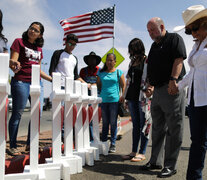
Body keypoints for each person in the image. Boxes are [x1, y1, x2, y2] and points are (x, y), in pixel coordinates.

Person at [141, 17, 187, 178]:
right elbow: (152, 67)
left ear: (161, 26)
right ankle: (155, 161)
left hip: (171, 87)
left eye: (152, 30)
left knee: (174, 127)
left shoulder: (174, 39)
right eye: (148, 31)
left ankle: (170, 165)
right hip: (158, 91)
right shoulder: (154, 46)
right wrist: (151, 86)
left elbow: (179, 59)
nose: (150, 34)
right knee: (158, 128)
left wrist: (173, 80)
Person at [8, 22, 52, 156]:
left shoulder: (39, 49)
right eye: (31, 28)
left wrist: (51, 79)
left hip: (36, 83)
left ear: (40, 35)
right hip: (21, 81)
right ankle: (13, 145)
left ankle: (30, 144)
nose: (32, 31)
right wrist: (14, 64)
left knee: (37, 113)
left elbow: (38, 70)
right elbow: (12, 62)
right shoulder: (19, 42)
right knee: (18, 113)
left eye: (36, 30)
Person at [174, 5, 207, 180]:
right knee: (198, 143)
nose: (193, 34)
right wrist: (178, 86)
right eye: (189, 31)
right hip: (195, 100)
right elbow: (192, 73)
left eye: (194, 29)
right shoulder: (197, 45)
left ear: (205, 23)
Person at [49, 33, 85, 142]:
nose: (72, 46)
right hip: (60, 86)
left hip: (71, 88)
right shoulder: (58, 53)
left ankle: (66, 136)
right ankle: (58, 137)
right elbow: (51, 70)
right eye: (70, 43)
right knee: (60, 112)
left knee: (69, 113)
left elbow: (76, 75)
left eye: (74, 45)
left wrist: (86, 83)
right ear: (65, 42)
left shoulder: (74, 58)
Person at [122, 38, 150, 162]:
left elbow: (149, 77)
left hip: (142, 97)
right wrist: (124, 95)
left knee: (144, 124)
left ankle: (142, 152)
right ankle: (134, 151)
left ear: (138, 47)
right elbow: (128, 80)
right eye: (130, 49)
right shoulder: (131, 62)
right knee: (136, 125)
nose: (131, 51)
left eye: (133, 48)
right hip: (132, 96)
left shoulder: (146, 60)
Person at [96, 53, 125, 153]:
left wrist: (122, 96)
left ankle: (113, 143)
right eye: (108, 60)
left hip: (114, 101)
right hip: (104, 101)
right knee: (105, 123)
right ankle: (104, 142)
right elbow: (98, 85)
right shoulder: (101, 72)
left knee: (113, 123)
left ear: (115, 62)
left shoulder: (118, 72)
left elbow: (123, 86)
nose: (109, 62)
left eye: (111, 60)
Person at [79, 51, 101, 142]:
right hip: (86, 95)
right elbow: (79, 79)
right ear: (87, 61)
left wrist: (94, 84)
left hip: (97, 95)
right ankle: (88, 137)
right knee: (86, 116)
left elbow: (101, 82)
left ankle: (93, 138)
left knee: (95, 117)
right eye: (90, 59)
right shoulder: (83, 71)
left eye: (93, 59)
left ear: (96, 60)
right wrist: (86, 84)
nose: (92, 61)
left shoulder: (100, 70)